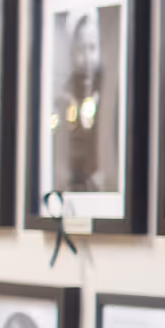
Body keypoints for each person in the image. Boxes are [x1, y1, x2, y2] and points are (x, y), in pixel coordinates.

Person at [53, 11, 106, 193]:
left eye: (92, 48)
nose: (87, 58)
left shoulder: (106, 97)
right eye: (80, 49)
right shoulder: (64, 100)